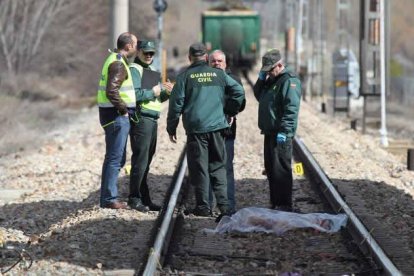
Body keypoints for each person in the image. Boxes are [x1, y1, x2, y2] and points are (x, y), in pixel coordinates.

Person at [167, 43, 245, 219]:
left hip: (196, 129)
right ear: (206, 57)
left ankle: (203, 207)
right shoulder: (219, 75)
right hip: (218, 127)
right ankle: (225, 207)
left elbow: (176, 104)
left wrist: (171, 127)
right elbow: (239, 91)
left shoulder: (185, 77)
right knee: (218, 166)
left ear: (189, 57)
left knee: (200, 167)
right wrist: (230, 111)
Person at [253, 49, 302, 212]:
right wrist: (261, 80)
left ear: (279, 65)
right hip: (269, 132)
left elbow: (291, 109)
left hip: (281, 134)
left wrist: (285, 130)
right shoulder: (271, 80)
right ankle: (275, 203)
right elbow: (259, 95)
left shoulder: (289, 81)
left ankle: (284, 204)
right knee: (271, 169)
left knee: (281, 169)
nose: (269, 73)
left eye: (270, 70)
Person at [128, 40, 173, 212]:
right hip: (142, 119)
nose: (148, 56)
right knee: (140, 160)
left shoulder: (151, 71)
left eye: (151, 53)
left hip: (152, 119)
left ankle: (144, 198)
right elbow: (135, 95)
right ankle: (134, 198)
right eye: (145, 52)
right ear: (138, 51)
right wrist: (153, 92)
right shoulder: (135, 70)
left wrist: (166, 93)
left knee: (146, 161)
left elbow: (155, 99)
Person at [97, 32, 138, 209]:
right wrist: (123, 110)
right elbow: (111, 91)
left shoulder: (114, 59)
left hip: (110, 115)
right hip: (115, 116)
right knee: (114, 159)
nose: (136, 47)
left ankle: (109, 196)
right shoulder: (118, 63)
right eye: (135, 44)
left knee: (117, 158)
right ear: (128, 46)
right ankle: (109, 199)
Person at [208, 50, 246, 212]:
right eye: (213, 61)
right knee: (208, 167)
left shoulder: (234, 80)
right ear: (208, 63)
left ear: (226, 63)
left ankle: (229, 204)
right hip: (208, 131)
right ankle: (208, 204)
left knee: (227, 168)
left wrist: (229, 111)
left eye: (219, 61)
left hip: (227, 133)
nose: (216, 64)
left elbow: (242, 103)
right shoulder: (205, 80)